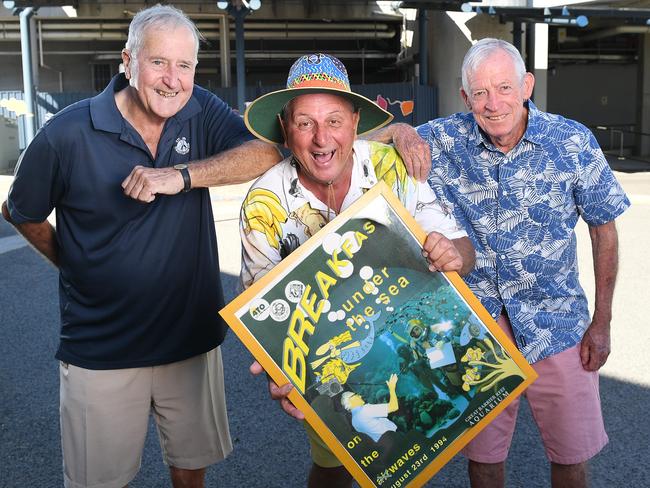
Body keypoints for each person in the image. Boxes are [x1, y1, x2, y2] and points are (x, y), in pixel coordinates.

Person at [1, 5, 285, 488]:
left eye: (186, 65)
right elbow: (20, 209)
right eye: (158, 62)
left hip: (190, 341)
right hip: (102, 349)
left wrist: (182, 176)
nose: (173, 80)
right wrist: (71, 263)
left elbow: (264, 152)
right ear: (127, 61)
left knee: (191, 472)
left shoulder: (201, 110)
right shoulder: (67, 133)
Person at [378, 38, 630, 488]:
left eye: (504, 88)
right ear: (464, 98)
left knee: (571, 457)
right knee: (484, 459)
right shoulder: (442, 138)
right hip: (475, 326)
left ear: (527, 85)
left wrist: (603, 321)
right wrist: (400, 131)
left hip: (558, 323)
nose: (493, 104)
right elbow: (351, 136)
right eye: (480, 93)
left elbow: (603, 230)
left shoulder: (572, 141)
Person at [239, 52, 475, 487]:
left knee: (411, 450)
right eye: (304, 122)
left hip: (410, 330)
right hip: (329, 361)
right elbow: (264, 318)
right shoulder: (263, 205)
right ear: (286, 132)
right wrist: (277, 371)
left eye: (333, 120)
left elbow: (464, 248)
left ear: (354, 123)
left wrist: (453, 253)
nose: (320, 137)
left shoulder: (391, 167)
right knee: (336, 466)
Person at [340, 374, 400, 442]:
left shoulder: (354, 422)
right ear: (350, 400)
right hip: (394, 438)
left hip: (385, 445)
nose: (360, 396)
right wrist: (392, 388)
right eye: (355, 394)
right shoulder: (365, 410)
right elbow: (394, 407)